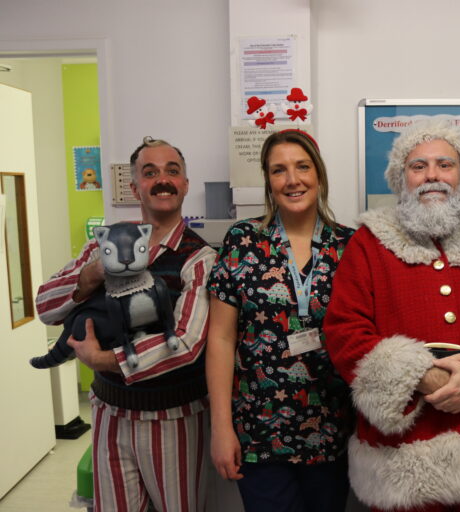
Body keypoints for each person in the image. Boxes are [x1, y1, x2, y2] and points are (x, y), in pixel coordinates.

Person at [323, 119, 460, 512]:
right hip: (399, 462)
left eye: (445, 164)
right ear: (401, 178)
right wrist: (424, 378)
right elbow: (345, 330)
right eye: (418, 166)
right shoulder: (367, 244)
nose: (432, 176)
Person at [35, 137, 218, 511]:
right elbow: (45, 306)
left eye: (172, 171)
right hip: (109, 413)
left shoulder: (199, 257)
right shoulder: (102, 245)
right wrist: (94, 273)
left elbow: (186, 343)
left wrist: (100, 359)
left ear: (184, 184)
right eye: (149, 173)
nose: (162, 180)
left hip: (173, 418)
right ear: (135, 188)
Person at [206, 129, 355, 512]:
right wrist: (221, 428)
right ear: (268, 182)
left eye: (302, 167)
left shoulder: (349, 246)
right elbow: (221, 339)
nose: (292, 180)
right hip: (259, 431)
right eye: (279, 170)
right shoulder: (243, 240)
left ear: (318, 174)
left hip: (332, 428)